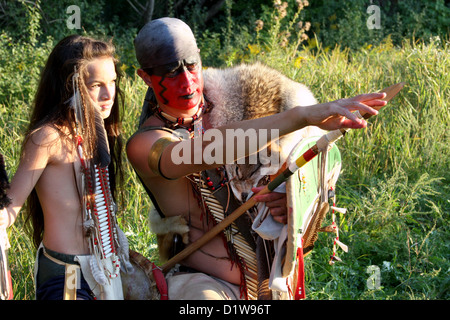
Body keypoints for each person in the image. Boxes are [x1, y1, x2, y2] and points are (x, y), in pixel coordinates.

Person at [126, 17, 387, 300]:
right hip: (201, 284)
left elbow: (306, 184)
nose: (187, 81)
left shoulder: (243, 97)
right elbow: (206, 150)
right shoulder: (146, 143)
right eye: (171, 72)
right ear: (145, 77)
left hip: (274, 282)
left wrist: (287, 201)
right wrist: (300, 116)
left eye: (192, 66)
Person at [0, 35, 129, 300]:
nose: (108, 95)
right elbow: (11, 207)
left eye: (112, 82)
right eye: (96, 85)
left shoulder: (97, 132)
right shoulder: (47, 137)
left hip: (104, 270)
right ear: (70, 86)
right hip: (66, 275)